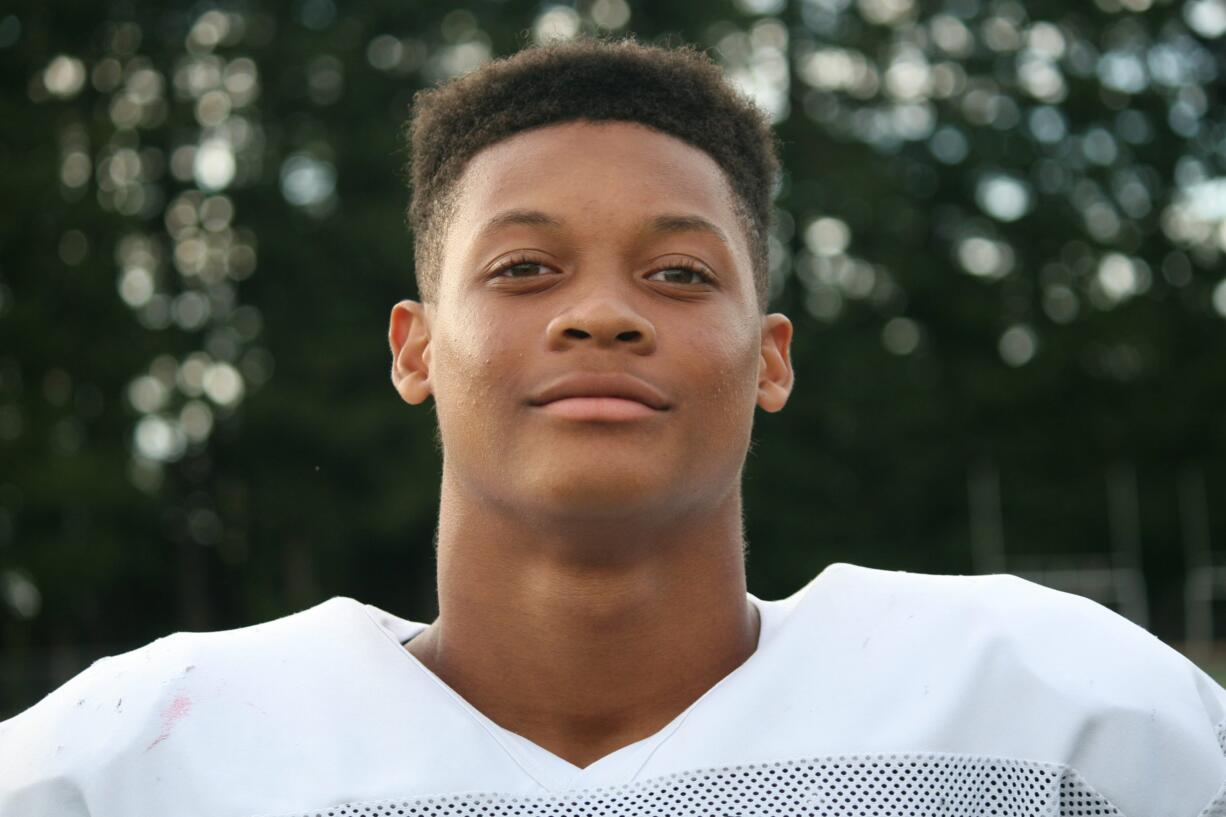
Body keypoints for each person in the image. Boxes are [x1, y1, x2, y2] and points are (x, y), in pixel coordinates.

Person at [2, 37, 1225, 817]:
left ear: (771, 358)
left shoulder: (1069, 726)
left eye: (680, 276)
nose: (600, 315)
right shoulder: (125, 764)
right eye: (525, 267)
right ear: (414, 348)